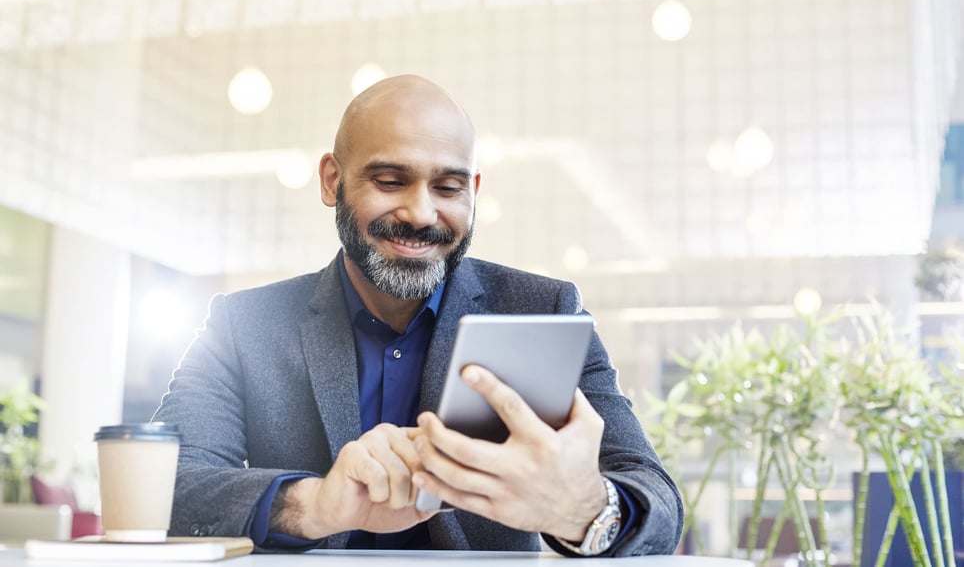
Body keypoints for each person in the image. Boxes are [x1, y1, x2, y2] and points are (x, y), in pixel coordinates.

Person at [153, 74, 683, 556]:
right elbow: (163, 487)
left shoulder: (545, 308)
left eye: (448, 188)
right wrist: (313, 505)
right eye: (389, 180)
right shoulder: (243, 325)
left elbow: (655, 500)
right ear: (332, 181)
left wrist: (583, 509)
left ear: (473, 192)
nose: (421, 213)